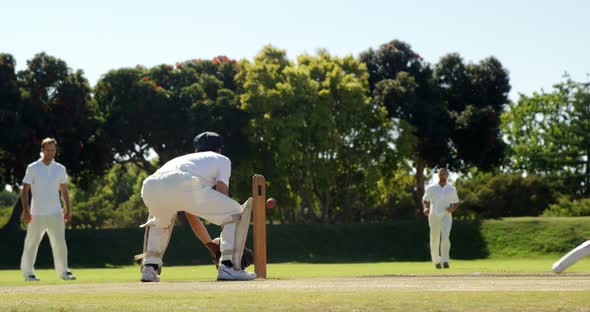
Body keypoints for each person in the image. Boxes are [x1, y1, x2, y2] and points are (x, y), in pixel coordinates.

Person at [137, 131, 256, 282]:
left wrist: (211, 245)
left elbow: (191, 215)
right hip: (181, 181)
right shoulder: (222, 159)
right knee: (235, 212)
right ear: (219, 149)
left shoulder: (186, 161)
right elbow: (222, 195)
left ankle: (149, 268)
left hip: (150, 185)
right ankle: (228, 265)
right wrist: (227, 243)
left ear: (196, 150)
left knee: (160, 221)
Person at [20, 137, 76, 281]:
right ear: (42, 150)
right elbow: (25, 191)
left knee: (60, 245)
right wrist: (26, 211)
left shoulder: (60, 169)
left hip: (56, 213)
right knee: (31, 244)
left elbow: (64, 191)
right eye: (48, 150)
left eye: (53, 150)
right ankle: (28, 273)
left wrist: (68, 210)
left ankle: (64, 272)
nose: (50, 153)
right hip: (36, 213)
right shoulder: (33, 168)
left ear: (55, 151)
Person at [422, 168, 459, 269]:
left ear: (447, 175)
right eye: (440, 174)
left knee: (446, 237)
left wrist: (452, 209)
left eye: (444, 174)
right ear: (438, 175)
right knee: (435, 238)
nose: (442, 176)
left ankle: (445, 261)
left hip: (446, 215)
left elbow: (456, 202)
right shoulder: (431, 187)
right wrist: (425, 208)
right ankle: (436, 261)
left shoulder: (451, 189)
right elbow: (425, 200)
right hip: (433, 215)